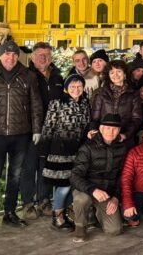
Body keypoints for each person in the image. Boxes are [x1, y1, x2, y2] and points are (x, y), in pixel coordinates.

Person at [0, 40, 43, 232]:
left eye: (14, 54)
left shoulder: (28, 75)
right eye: (7, 54)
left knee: (15, 175)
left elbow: (35, 104)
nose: (11, 57)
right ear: (0, 55)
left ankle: (9, 212)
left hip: (21, 133)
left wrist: (36, 129)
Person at [41, 74, 91, 231]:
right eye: (72, 87)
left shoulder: (85, 103)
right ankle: (57, 217)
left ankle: (65, 214)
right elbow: (48, 126)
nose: (76, 89)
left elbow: (86, 126)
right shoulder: (57, 102)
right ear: (66, 88)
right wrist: (44, 150)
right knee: (63, 186)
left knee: (72, 184)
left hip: (77, 150)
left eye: (79, 86)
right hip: (59, 151)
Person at [23, 41, 65, 220]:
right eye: (40, 55)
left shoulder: (57, 77)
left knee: (46, 166)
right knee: (29, 166)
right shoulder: (26, 76)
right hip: (31, 129)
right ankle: (27, 202)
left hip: (52, 130)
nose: (43, 58)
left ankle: (44, 199)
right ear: (32, 57)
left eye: (47, 55)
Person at [69, 113, 127, 242]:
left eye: (114, 129)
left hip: (106, 193)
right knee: (81, 199)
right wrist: (93, 190)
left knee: (115, 230)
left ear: (119, 131)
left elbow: (122, 176)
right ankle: (80, 226)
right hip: (87, 189)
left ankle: (95, 214)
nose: (110, 132)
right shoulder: (88, 147)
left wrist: (116, 197)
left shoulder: (122, 148)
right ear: (101, 129)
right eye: (107, 128)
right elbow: (74, 176)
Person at [89, 60, 142, 146]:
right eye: (112, 72)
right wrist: (93, 130)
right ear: (108, 75)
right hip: (104, 138)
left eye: (119, 71)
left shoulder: (133, 94)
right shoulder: (101, 93)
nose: (115, 75)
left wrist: (125, 134)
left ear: (125, 74)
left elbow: (136, 119)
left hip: (124, 140)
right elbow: (95, 118)